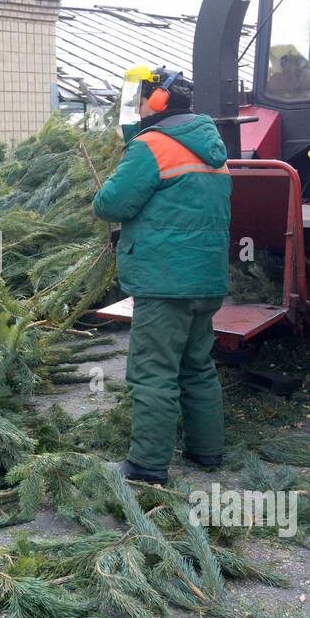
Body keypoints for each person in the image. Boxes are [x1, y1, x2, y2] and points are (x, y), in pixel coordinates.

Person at [92, 65, 232, 484]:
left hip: (164, 282)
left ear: (157, 102)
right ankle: (207, 452)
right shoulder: (212, 146)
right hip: (205, 281)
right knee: (197, 366)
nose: (136, 105)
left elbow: (110, 204)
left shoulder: (152, 146)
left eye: (141, 96)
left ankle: (147, 466)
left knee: (153, 371)